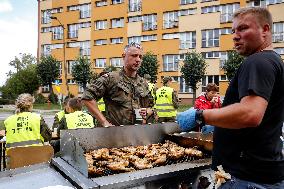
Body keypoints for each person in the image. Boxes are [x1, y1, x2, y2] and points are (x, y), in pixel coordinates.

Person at [177, 7, 284, 188]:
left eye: (243, 28)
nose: (235, 36)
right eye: (233, 31)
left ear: (265, 30)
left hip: (248, 178)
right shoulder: (273, 61)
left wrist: (200, 116)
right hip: (264, 172)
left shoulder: (257, 62)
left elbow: (250, 113)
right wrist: (220, 123)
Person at [82, 42, 154, 126]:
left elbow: (150, 107)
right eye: (134, 56)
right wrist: (104, 122)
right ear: (124, 56)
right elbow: (87, 97)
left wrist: (148, 111)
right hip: (115, 134)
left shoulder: (143, 83)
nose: (138, 60)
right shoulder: (111, 78)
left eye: (140, 57)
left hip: (136, 133)